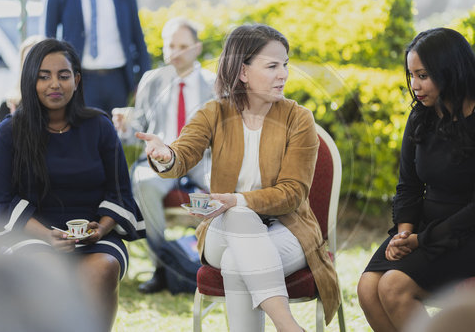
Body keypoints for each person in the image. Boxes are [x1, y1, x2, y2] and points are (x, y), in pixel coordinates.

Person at [136, 24, 340, 331]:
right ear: (243, 72)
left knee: (235, 261)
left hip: (289, 231)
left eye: (284, 65)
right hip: (221, 231)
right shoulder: (213, 113)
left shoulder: (298, 118)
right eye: (272, 66)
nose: (283, 74)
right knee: (239, 217)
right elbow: (183, 153)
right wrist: (166, 156)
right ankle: (289, 326)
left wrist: (235, 200)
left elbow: (293, 193)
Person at [0, 39, 145, 331]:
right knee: (42, 269)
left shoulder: (99, 126)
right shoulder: (9, 132)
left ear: (76, 80)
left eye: (63, 75)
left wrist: (100, 228)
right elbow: (0, 201)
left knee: (104, 267)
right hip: (31, 233)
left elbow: (119, 193)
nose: (55, 84)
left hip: (93, 234)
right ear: (30, 80)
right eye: (44, 76)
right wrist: (48, 236)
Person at [357, 27, 475, 332]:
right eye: (412, 76)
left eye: (424, 75)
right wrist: (405, 234)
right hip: (423, 229)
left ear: (451, 72)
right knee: (368, 288)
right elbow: (408, 186)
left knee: (393, 287)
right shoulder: (421, 115)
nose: (415, 86)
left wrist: (421, 240)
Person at [112, 17, 215, 294]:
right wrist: (125, 127)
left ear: (197, 48)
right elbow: (141, 125)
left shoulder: (213, 83)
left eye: (184, 45)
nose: (177, 51)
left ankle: (213, 264)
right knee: (143, 183)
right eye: (171, 45)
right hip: (161, 160)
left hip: (201, 159)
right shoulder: (153, 81)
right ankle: (164, 266)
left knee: (224, 186)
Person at [44, 0, 151, 115]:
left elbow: (138, 36)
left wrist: (145, 81)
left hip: (118, 79)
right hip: (82, 80)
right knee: (85, 129)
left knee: (119, 130)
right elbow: (50, 37)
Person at [0, 35, 45, 123]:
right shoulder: (8, 104)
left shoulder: (55, 103)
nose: (32, 66)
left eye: (37, 60)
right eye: (27, 60)